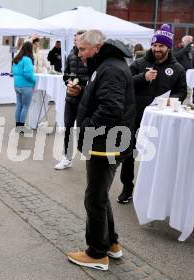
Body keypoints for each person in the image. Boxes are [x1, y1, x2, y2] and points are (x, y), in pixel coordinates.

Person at [66, 30, 135, 271]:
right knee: (100, 194)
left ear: (97, 47)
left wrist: (85, 127)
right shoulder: (105, 65)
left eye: (82, 49)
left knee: (94, 198)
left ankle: (97, 253)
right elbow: (103, 99)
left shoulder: (111, 68)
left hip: (105, 144)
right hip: (105, 142)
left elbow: (110, 109)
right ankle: (111, 243)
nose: (79, 53)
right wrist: (82, 92)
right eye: (78, 48)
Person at [118, 24, 187, 204]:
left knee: (158, 152)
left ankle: (154, 189)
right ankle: (127, 186)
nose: (157, 49)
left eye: (161, 46)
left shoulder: (177, 68)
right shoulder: (139, 63)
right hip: (135, 113)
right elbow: (124, 83)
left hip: (160, 117)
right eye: (155, 45)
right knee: (128, 150)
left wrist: (173, 99)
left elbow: (182, 91)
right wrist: (143, 77)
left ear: (168, 47)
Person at [54, 30, 88, 170]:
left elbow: (94, 79)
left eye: (78, 39)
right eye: (74, 39)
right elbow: (65, 75)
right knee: (68, 127)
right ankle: (67, 158)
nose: (75, 41)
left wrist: (81, 86)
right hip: (70, 98)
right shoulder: (70, 55)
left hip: (85, 100)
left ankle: (90, 157)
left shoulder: (90, 56)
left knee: (84, 129)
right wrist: (69, 82)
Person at [11, 41, 36, 129]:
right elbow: (28, 74)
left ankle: (18, 125)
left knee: (19, 105)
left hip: (17, 85)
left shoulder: (16, 58)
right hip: (26, 86)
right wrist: (34, 81)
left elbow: (13, 71)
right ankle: (21, 127)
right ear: (30, 49)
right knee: (25, 107)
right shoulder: (27, 59)